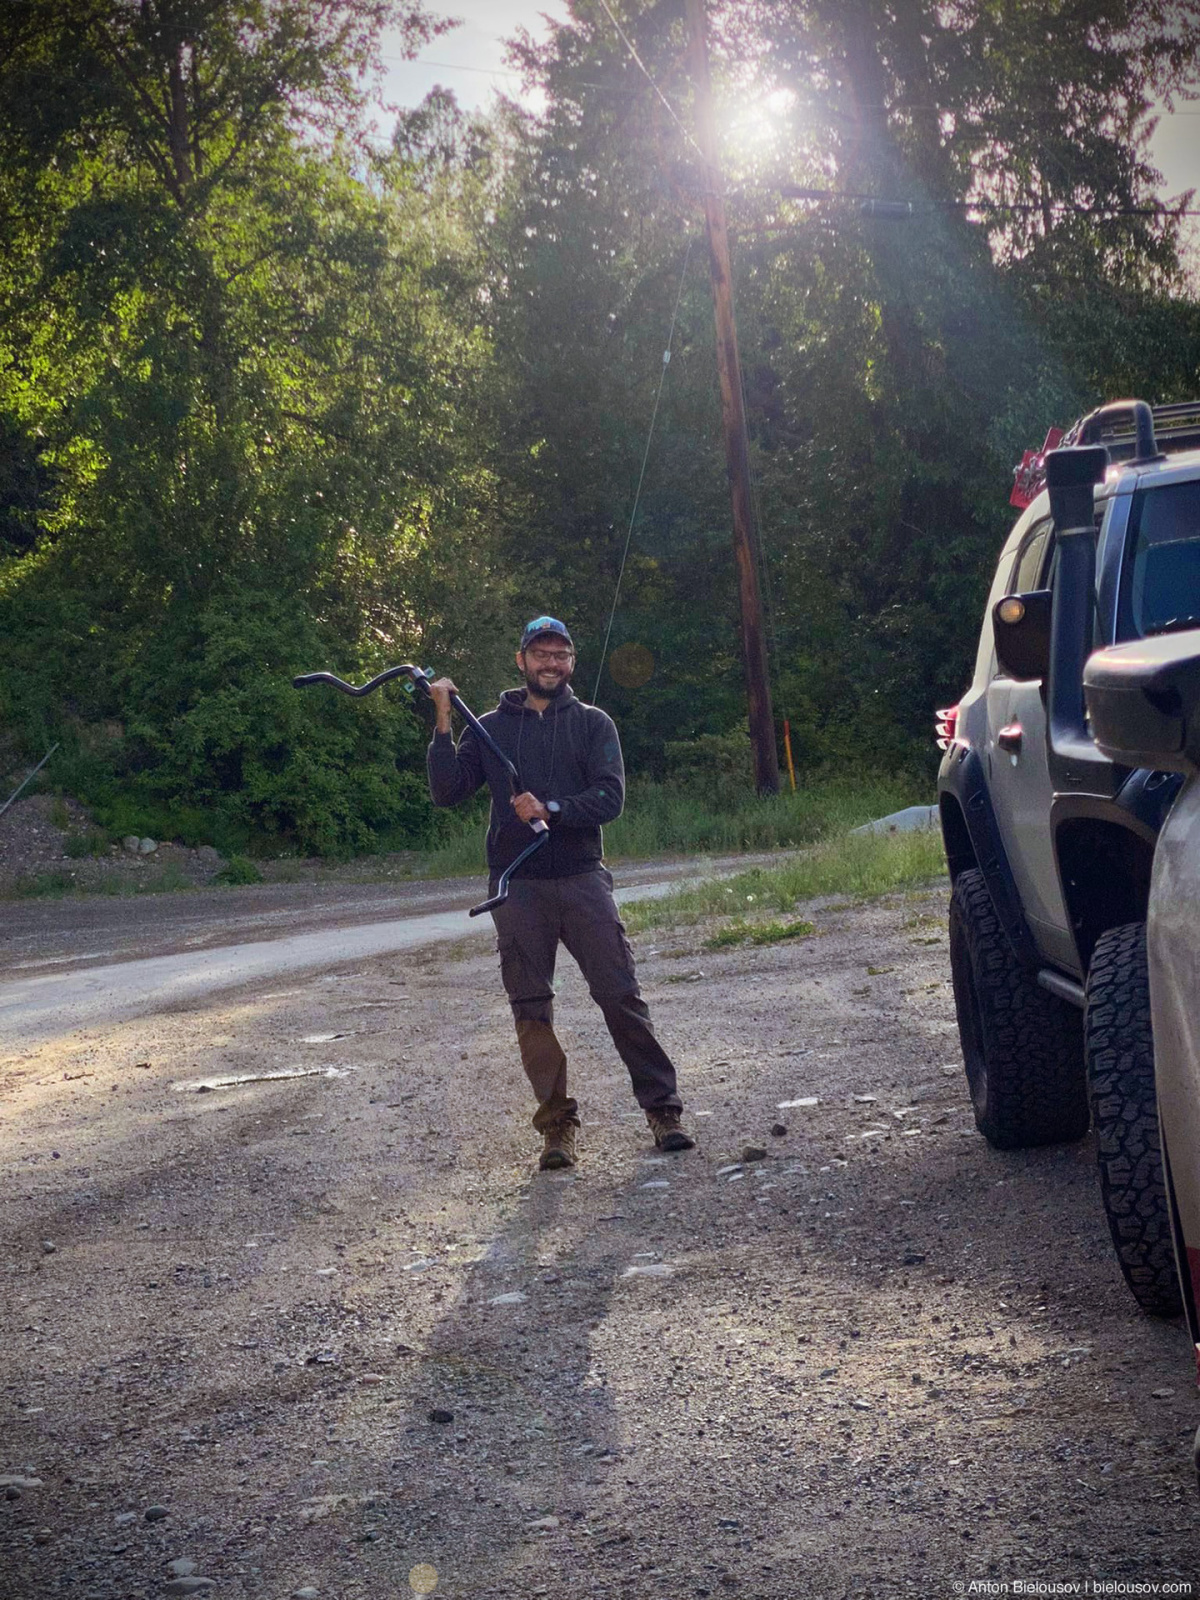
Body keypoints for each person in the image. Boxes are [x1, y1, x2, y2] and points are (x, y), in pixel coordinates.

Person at [426, 615, 695, 1171]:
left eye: (561, 654)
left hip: (581, 877)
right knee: (531, 1008)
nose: (551, 663)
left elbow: (610, 799)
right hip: (517, 884)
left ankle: (663, 1111)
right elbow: (447, 791)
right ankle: (556, 1128)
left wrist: (550, 808)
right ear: (521, 661)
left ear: (571, 662)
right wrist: (443, 722)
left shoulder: (595, 724)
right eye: (540, 654)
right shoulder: (490, 728)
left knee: (620, 994)